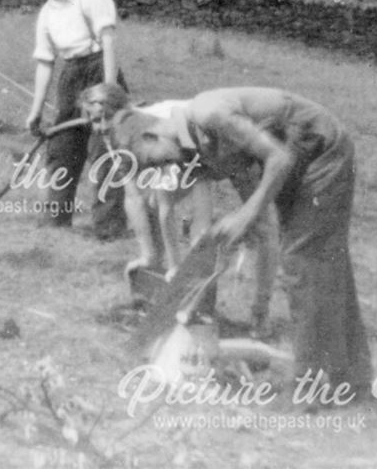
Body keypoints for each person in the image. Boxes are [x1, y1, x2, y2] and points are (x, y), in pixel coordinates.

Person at [101, 84, 373, 399]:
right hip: (298, 162)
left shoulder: (208, 113)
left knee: (303, 264)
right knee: (324, 266)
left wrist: (247, 214)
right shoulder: (192, 146)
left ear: (152, 136)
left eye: (154, 162)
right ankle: (353, 381)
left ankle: (309, 391)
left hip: (322, 150)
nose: (163, 169)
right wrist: (237, 226)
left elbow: (279, 158)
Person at [80, 84, 278, 338]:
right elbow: (134, 195)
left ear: (122, 111)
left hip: (231, 145)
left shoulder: (158, 129)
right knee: (156, 202)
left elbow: (199, 205)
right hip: (197, 157)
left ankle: (260, 312)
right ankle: (172, 288)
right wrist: (149, 257)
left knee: (265, 226)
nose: (98, 128)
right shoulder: (116, 134)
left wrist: (191, 262)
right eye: (92, 122)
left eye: (101, 119)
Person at [24, 0, 126, 239]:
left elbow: (108, 43)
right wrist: (36, 110)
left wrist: (107, 92)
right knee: (61, 149)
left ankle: (108, 228)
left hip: (98, 69)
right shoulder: (46, 14)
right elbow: (45, 63)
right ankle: (56, 222)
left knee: (105, 149)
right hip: (71, 76)